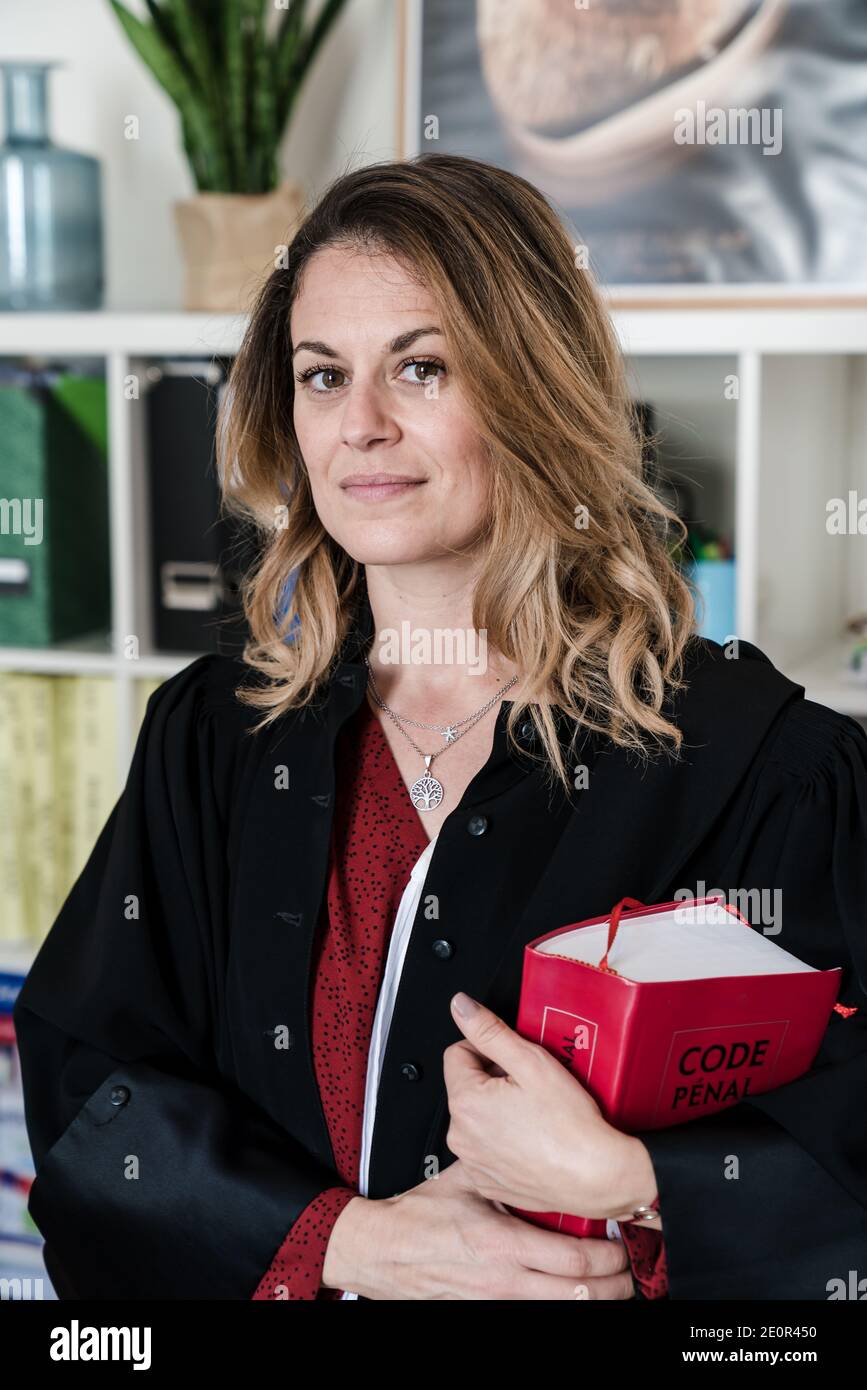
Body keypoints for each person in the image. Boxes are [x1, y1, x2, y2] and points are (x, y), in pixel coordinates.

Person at [14, 153, 867, 1301]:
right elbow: (91, 1085)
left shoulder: (764, 770)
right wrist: (346, 1243)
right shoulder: (214, 739)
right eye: (322, 376)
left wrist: (643, 1180)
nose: (357, 425)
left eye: (420, 368)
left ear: (532, 392)